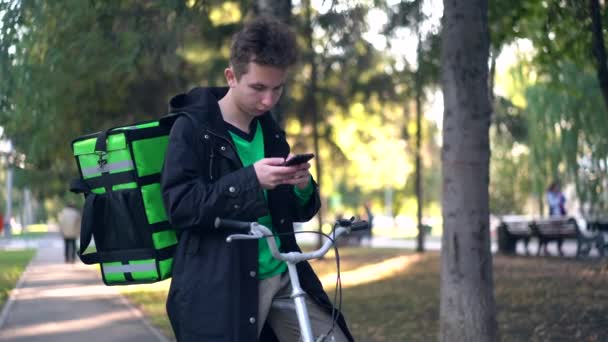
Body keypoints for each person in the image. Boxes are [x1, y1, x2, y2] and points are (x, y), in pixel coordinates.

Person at [160, 16, 353, 342]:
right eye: (259, 88)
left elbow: (296, 212)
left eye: (278, 89)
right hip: (224, 288)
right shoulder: (192, 128)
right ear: (231, 77)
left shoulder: (270, 130)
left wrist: (302, 185)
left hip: (284, 275)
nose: (268, 100)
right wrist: (250, 180)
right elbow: (181, 206)